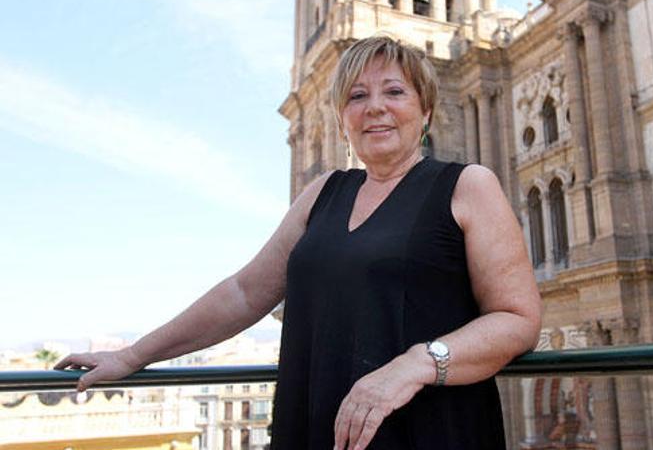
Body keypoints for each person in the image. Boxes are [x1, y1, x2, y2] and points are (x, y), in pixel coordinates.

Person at [56, 35, 542, 449]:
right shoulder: (323, 194)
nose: (375, 107)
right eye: (356, 96)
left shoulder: (467, 186)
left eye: (394, 91)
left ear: (426, 110)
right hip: (317, 428)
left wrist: (415, 365)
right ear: (342, 121)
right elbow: (243, 293)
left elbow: (518, 320)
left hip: (430, 430)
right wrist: (133, 355)